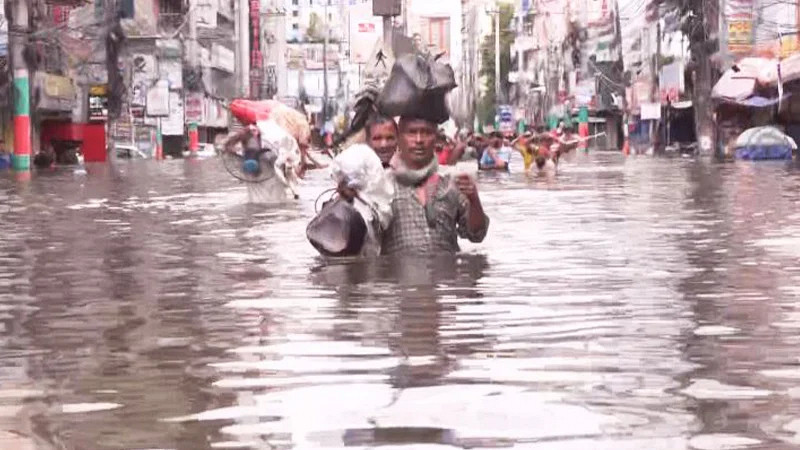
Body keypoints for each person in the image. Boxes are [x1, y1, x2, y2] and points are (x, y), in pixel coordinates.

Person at [381, 117, 489, 255]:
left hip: (446, 273)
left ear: (436, 138)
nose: (419, 140)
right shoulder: (382, 184)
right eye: (412, 133)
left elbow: (477, 235)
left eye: (426, 133)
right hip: (399, 273)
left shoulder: (452, 180)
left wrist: (474, 199)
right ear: (399, 139)